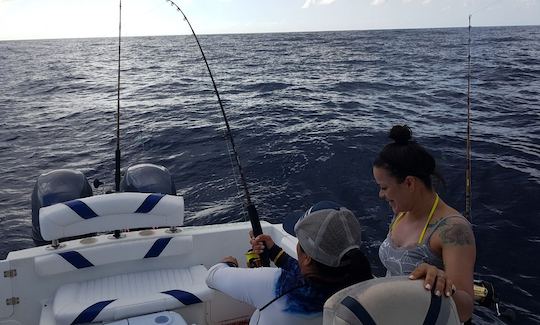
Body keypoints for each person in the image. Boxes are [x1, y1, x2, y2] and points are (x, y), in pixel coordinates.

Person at [206, 202, 373, 325]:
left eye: (299, 241)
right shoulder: (365, 286)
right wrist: (273, 251)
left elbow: (213, 276)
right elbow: (309, 276)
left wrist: (229, 263)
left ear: (307, 258)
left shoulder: (275, 286)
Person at [373, 124, 476, 322]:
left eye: (384, 187)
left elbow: (465, 310)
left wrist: (441, 282)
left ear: (409, 183)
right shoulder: (401, 212)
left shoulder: (454, 229)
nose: (381, 195)